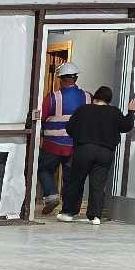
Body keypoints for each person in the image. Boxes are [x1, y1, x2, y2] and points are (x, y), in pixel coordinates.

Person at [58, 86, 135, 224]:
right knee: (98, 184)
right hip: (105, 152)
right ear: (109, 100)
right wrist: (131, 112)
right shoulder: (114, 112)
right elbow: (126, 126)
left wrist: (80, 136)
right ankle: (95, 216)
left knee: (76, 181)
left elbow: (70, 128)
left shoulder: (83, 110)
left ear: (95, 97)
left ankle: (68, 213)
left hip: (84, 150)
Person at [37, 64, 86, 213]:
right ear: (76, 78)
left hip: (52, 144)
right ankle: (68, 209)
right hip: (75, 145)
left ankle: (51, 194)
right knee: (70, 178)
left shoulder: (52, 98)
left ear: (60, 79)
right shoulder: (87, 96)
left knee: (44, 169)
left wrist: (39, 137)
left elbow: (41, 118)